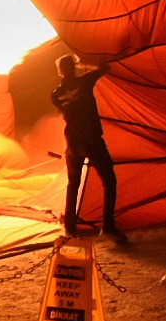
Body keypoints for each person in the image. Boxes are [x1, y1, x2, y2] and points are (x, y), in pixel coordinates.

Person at [51, 51, 124, 241]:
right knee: (109, 181)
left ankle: (70, 228)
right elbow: (104, 68)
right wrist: (88, 61)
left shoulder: (56, 95)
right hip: (91, 141)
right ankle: (107, 226)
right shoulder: (85, 82)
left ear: (60, 72)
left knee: (73, 185)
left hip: (72, 145)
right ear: (73, 68)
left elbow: (66, 107)